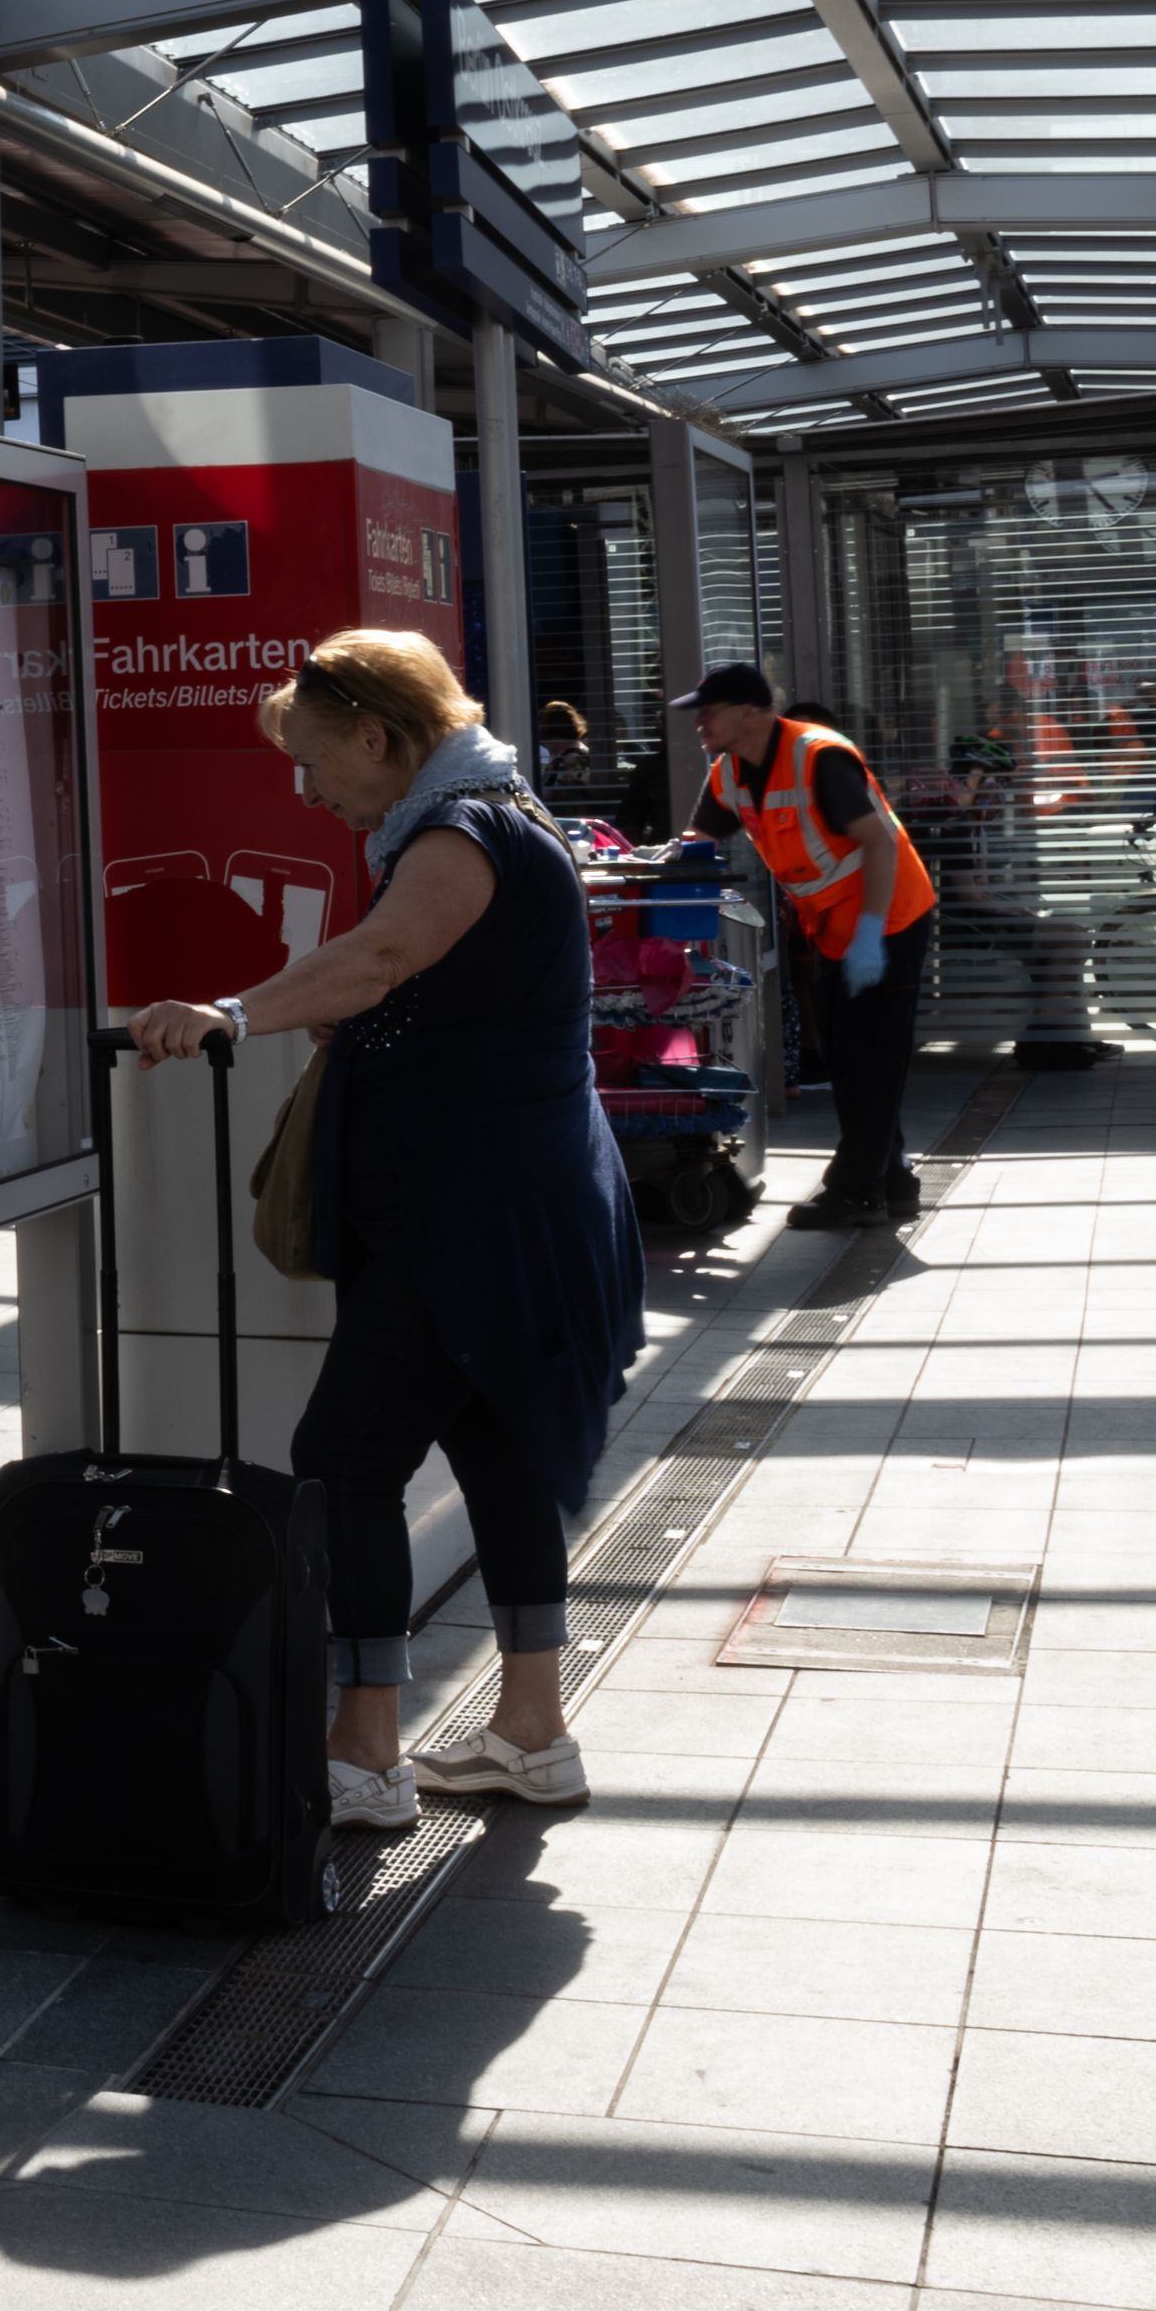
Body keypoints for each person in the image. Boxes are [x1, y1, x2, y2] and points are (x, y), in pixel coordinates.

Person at [125, 627, 640, 1830]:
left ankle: (361, 1750)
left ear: (378, 736)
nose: (306, 791)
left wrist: (231, 1016)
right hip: (511, 1197)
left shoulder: (463, 833)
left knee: (344, 1463)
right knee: (495, 1444)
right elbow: (418, 983)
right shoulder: (490, 815)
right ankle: (531, 1731)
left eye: (314, 764)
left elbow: (384, 954)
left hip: (462, 1209)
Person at [692, 662, 938, 1223]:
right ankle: (892, 1180)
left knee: (868, 1058)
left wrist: (873, 934)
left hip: (889, 917)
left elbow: (876, 845)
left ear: (750, 712)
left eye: (710, 710)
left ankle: (856, 1191)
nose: (699, 722)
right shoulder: (730, 772)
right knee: (851, 1056)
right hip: (832, 926)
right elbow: (699, 842)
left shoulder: (819, 755)